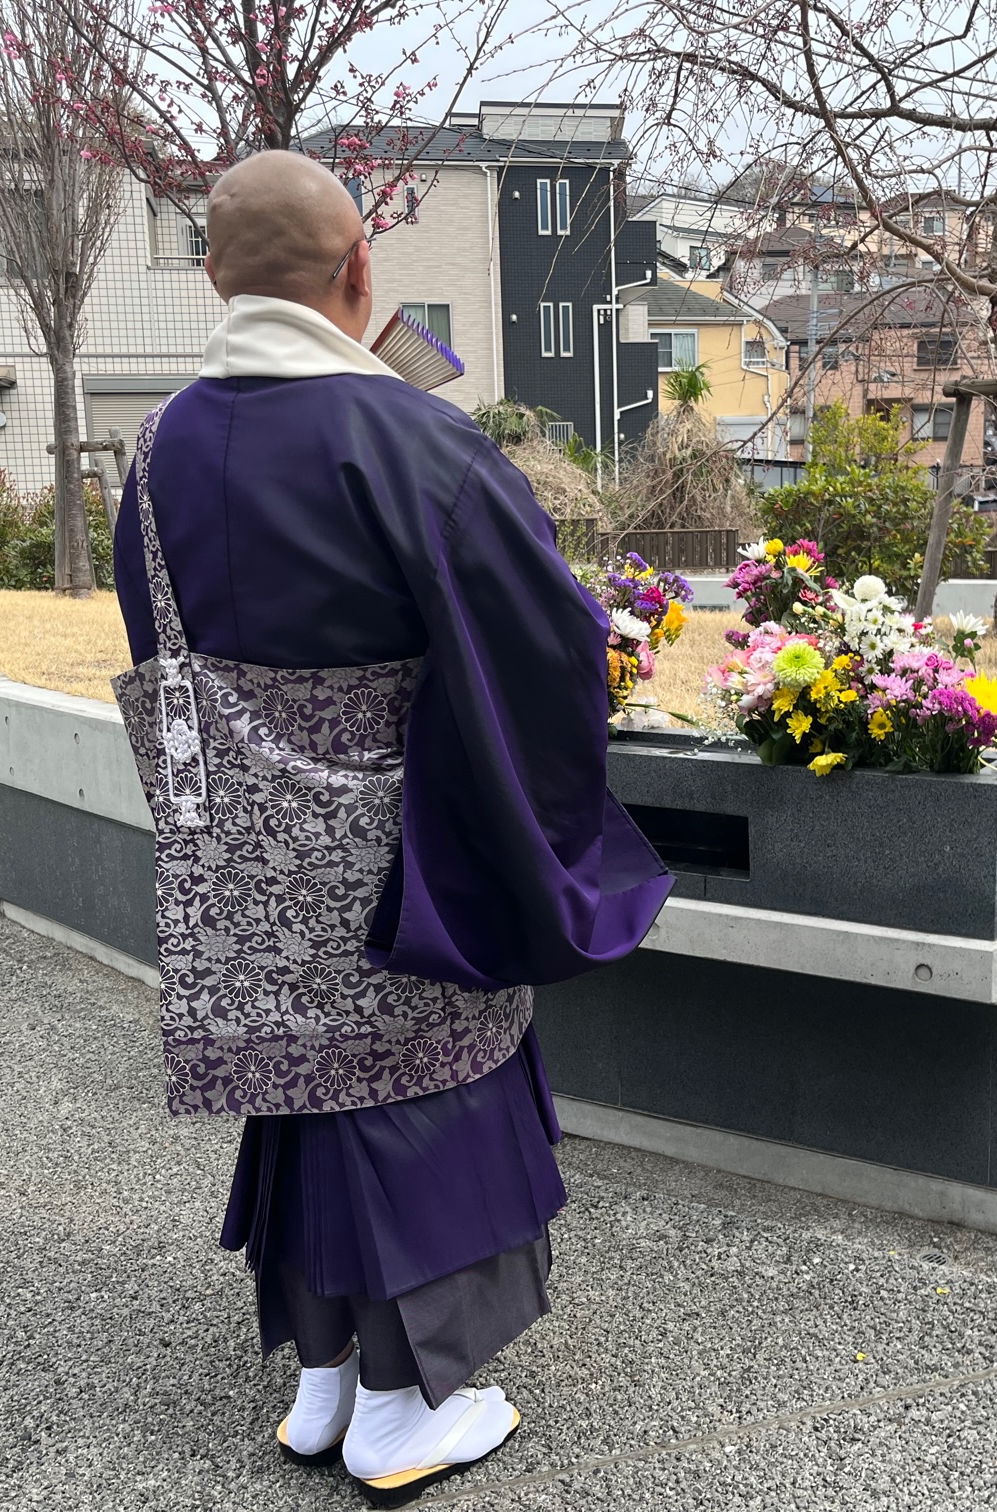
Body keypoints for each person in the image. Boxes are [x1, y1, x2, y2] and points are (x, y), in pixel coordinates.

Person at [111, 151, 671, 1507]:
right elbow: (533, 634)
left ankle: (322, 1371)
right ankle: (404, 1404)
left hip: (248, 850)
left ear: (210, 279)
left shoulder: (159, 444)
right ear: (360, 274)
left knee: (310, 1078)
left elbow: (162, 642)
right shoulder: (412, 437)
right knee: (431, 1074)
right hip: (399, 844)